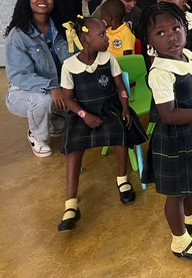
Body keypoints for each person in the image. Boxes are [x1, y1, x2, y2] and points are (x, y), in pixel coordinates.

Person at [138, 2, 192, 263]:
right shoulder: (160, 72)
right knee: (176, 192)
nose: (171, 37)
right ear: (150, 41)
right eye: (161, 33)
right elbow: (168, 114)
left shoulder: (187, 55)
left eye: (176, 28)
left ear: (185, 29)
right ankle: (180, 241)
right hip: (174, 138)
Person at [57, 17, 147, 232]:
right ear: (85, 40)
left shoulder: (108, 58)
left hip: (109, 108)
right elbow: (68, 98)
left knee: (120, 130)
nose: (107, 38)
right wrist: (84, 114)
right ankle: (71, 203)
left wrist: (125, 108)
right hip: (82, 113)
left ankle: (122, 180)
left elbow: (120, 87)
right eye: (101, 35)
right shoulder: (69, 66)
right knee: (74, 145)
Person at [4, 0, 73, 157]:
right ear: (27, 1)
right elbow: (19, 75)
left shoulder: (63, 29)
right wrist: (52, 86)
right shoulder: (18, 35)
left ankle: (54, 121)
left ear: (54, 2)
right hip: (23, 91)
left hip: (56, 87)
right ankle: (37, 135)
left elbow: (73, 60)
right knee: (43, 101)